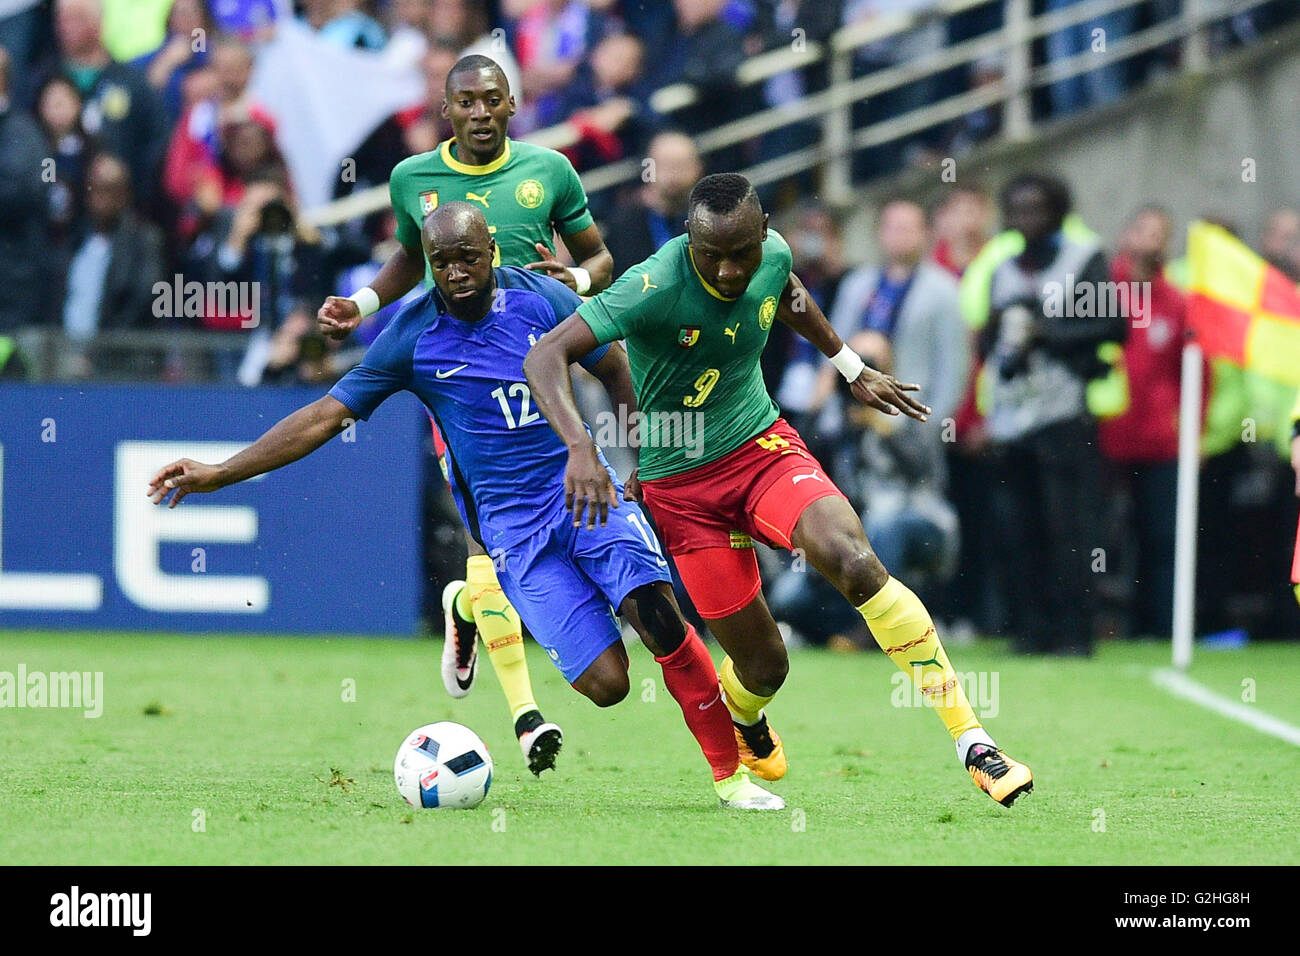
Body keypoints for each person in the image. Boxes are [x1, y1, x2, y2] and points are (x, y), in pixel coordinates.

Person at [148, 202, 783, 812]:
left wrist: (636, 459)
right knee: (609, 686)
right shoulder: (412, 336)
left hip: (586, 496)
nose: (455, 272)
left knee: (660, 618)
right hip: (514, 534)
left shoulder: (543, 299)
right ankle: (477, 600)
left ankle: (731, 777)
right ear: (426, 262)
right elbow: (324, 416)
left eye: (468, 258)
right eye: (441, 260)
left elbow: (617, 369)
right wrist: (221, 471)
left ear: (492, 252)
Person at [525, 173, 1034, 807]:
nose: (731, 269)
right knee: (766, 667)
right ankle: (745, 717)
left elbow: (787, 293)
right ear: (689, 240)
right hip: (682, 491)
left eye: (742, 251)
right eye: (712, 254)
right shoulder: (651, 285)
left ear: (763, 231)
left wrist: (849, 367)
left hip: (761, 449)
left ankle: (973, 743)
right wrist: (582, 448)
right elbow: (545, 355)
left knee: (854, 561)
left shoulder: (773, 254)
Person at [316, 54, 615, 776]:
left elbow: (601, 260)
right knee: (493, 545)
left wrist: (574, 280)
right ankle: (524, 717)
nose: (480, 112)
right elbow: (407, 261)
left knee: (566, 524)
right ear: (446, 110)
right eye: (466, 102)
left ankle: (473, 609)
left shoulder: (552, 170)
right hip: (463, 381)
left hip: (548, 369)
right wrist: (360, 305)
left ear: (513, 103)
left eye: (492, 99)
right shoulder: (413, 179)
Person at [980, 173, 1125, 655]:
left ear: (1058, 211)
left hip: (1065, 417)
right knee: (1020, 527)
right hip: (1014, 418)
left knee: (1072, 528)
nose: (1028, 219)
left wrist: (1047, 332)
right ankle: (1032, 628)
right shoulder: (1002, 269)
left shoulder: (1083, 260)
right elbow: (988, 342)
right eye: (1019, 209)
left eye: (1038, 209)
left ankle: (1075, 631)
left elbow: (1112, 325)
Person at [1097, 206, 1189, 638]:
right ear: (1126, 233)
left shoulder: (1175, 300)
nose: (1150, 240)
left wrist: (1193, 432)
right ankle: (1099, 621)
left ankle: (1159, 627)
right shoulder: (1099, 289)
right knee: (1101, 537)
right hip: (1102, 437)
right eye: (1143, 230)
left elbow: (1192, 373)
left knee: (1160, 537)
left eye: (1160, 232)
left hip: (1159, 443)